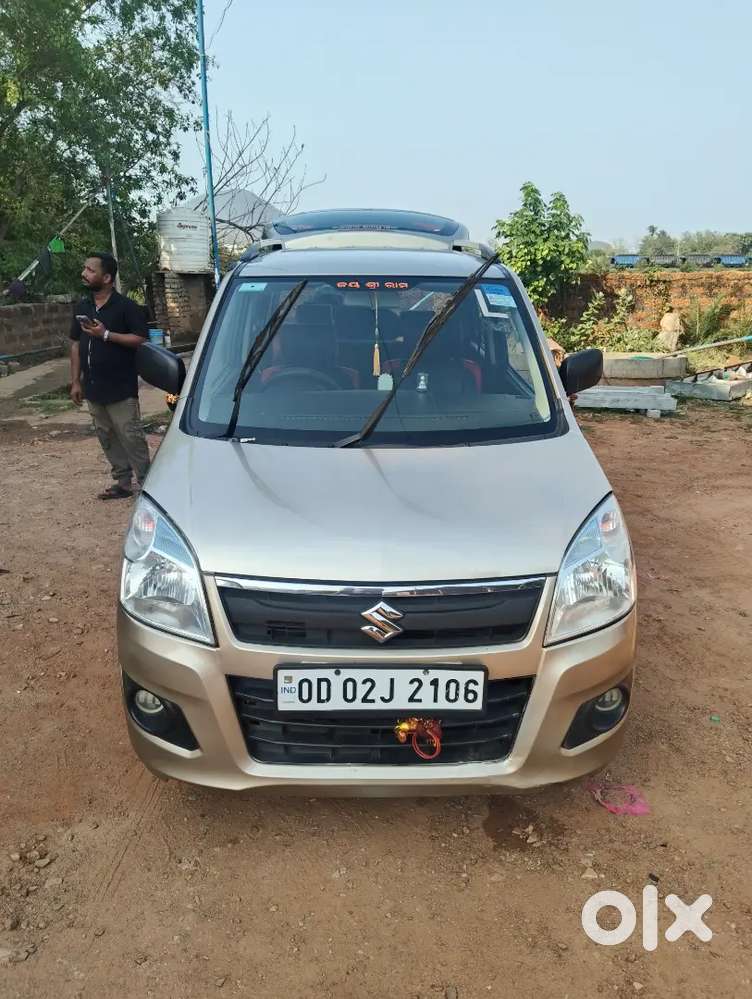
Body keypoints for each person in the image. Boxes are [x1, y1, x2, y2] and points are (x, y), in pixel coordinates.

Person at [69, 253, 151, 500]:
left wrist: (106, 335)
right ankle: (123, 483)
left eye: (90, 270)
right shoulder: (82, 307)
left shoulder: (126, 307)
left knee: (131, 435)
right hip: (93, 387)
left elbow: (141, 339)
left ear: (106, 278)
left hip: (121, 388)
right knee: (106, 436)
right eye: (84, 268)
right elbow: (75, 344)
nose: (84, 273)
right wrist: (75, 381)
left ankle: (148, 484)